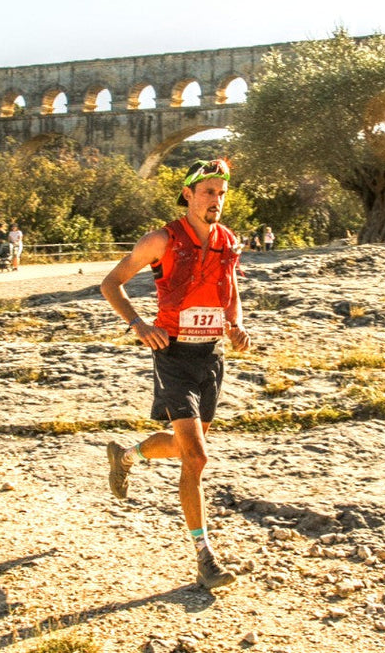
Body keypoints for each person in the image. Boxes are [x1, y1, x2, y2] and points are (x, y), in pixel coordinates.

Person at [100, 158, 250, 591]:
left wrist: (236, 323)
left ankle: (125, 457)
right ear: (188, 194)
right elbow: (112, 284)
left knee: (184, 448)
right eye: (208, 192)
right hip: (173, 356)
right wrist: (140, 326)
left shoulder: (228, 240)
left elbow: (231, 288)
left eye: (221, 194)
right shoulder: (161, 240)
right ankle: (205, 557)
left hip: (211, 356)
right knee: (197, 458)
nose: (215, 201)